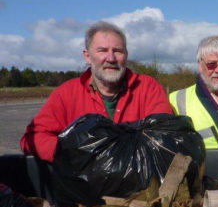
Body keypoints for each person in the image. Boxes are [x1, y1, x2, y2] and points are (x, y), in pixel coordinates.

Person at [20, 21, 172, 162]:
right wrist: (75, 153)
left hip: (137, 185)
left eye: (117, 51)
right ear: (87, 56)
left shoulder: (148, 88)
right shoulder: (66, 93)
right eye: (102, 50)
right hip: (82, 187)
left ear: (126, 55)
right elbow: (32, 138)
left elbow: (165, 135)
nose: (111, 58)